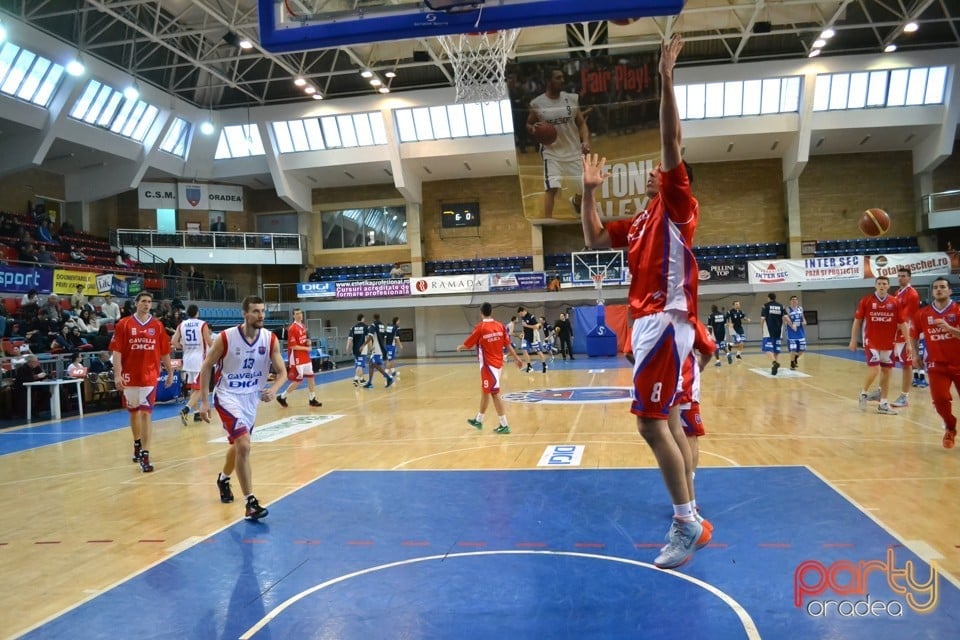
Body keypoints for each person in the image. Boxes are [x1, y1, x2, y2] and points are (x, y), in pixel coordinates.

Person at [580, 35, 710, 569]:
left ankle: (685, 521)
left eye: (666, 170)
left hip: (665, 318)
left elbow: (672, 139)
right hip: (651, 326)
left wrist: (664, 78)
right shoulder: (637, 224)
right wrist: (588, 191)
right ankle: (692, 514)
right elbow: (590, 239)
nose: (659, 172)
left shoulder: (679, 204)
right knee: (671, 419)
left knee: (649, 423)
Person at [198, 295, 286, 521]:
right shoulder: (227, 338)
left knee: (238, 446)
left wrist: (274, 388)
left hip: (250, 399)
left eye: (263, 311)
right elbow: (206, 366)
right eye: (256, 311)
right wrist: (204, 401)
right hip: (227, 396)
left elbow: (283, 372)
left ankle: (224, 479)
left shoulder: (270, 339)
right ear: (245, 313)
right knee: (244, 445)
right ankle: (250, 502)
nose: (261, 315)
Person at [109, 291, 174, 472]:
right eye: (143, 301)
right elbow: (117, 351)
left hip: (149, 376)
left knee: (146, 413)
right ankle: (137, 443)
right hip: (130, 376)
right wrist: (117, 374)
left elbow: (164, 351)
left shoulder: (158, 325)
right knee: (134, 412)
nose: (146, 304)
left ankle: (145, 455)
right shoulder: (124, 324)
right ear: (136, 303)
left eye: (149, 302)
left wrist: (169, 372)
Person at [526, 67, 590, 218]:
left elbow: (581, 123)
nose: (562, 80)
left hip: (573, 151)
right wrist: (533, 129)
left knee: (584, 190)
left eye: (562, 78)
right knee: (552, 188)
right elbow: (528, 124)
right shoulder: (537, 103)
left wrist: (585, 141)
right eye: (558, 78)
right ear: (549, 81)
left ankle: (576, 201)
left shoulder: (571, 98)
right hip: (552, 153)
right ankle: (548, 222)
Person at [908, 277, 960, 449]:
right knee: (939, 401)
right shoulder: (923, 313)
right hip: (936, 365)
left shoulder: (958, 310)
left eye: (943, 287)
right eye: (936, 287)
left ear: (950, 291)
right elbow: (913, 335)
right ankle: (950, 427)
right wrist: (915, 355)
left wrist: (950, 329)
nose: (939, 290)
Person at [457, 302, 524, 434]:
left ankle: (504, 425)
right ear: (491, 312)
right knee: (485, 391)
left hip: (488, 366)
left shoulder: (480, 328)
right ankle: (479, 419)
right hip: (498, 364)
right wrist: (517, 358)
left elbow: (469, 344)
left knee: (494, 393)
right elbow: (508, 344)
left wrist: (460, 347)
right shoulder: (500, 326)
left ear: (481, 313)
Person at [849, 276, 909, 415]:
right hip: (871, 342)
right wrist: (853, 340)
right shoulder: (867, 300)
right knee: (875, 369)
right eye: (879, 283)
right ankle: (863, 393)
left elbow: (902, 324)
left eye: (884, 284)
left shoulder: (895, 302)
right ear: (875, 286)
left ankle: (883, 403)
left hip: (888, 344)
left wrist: (908, 342)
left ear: (888, 286)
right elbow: (857, 321)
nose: (882, 286)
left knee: (887, 372)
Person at [172, 304, 214, 424]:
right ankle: (186, 409)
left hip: (187, 359)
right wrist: (218, 350)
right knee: (201, 388)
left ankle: (196, 414)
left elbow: (174, 342)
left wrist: (184, 347)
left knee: (194, 389)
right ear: (197, 312)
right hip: (199, 360)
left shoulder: (182, 324)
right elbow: (209, 341)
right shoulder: (202, 324)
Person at [275, 308, 321, 408]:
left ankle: (312, 399)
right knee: (298, 380)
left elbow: (304, 340)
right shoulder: (292, 328)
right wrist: (306, 348)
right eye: (297, 314)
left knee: (311, 377)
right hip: (297, 357)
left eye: (300, 313)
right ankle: (282, 397)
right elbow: (293, 346)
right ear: (293, 316)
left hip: (305, 356)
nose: (299, 315)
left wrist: (308, 342)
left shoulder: (303, 326)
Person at [890, 267, 923, 408]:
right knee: (889, 363)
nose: (900, 278)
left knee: (906, 365)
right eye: (899, 276)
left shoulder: (912, 294)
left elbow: (904, 317)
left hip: (907, 334)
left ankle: (905, 396)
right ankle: (881, 391)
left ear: (909, 278)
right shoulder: (897, 293)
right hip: (897, 334)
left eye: (903, 276)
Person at [362, 315, 393, 389]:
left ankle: (388, 377)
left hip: (376, 348)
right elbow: (384, 337)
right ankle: (369, 382)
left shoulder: (373, 325)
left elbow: (370, 337)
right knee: (370, 364)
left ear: (374, 318)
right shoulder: (382, 326)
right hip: (380, 347)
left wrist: (363, 345)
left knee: (374, 364)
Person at [760, 293, 785, 375]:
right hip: (779, 330)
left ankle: (774, 363)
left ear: (768, 298)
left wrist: (762, 328)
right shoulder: (781, 306)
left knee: (766, 349)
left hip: (768, 329)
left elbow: (763, 318)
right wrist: (791, 325)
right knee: (776, 349)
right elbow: (785, 317)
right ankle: (775, 367)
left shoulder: (765, 305)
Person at [517, 305, 547, 373]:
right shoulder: (523, 318)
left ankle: (544, 364)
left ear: (523, 311)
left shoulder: (531, 316)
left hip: (533, 337)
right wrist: (522, 333)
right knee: (524, 349)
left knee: (538, 351)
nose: (520, 315)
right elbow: (524, 328)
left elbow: (536, 326)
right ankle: (529, 366)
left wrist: (527, 325)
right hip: (526, 337)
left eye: (521, 314)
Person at [784, 295, 807, 370]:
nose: (794, 300)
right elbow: (786, 318)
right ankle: (792, 363)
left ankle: (795, 359)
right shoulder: (787, 309)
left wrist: (804, 321)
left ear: (797, 301)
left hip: (800, 331)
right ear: (790, 301)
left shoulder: (800, 308)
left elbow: (803, 317)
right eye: (793, 299)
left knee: (802, 348)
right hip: (791, 331)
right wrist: (791, 325)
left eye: (796, 299)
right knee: (793, 349)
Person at [345, 313, 368, 387]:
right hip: (362, 349)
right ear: (362, 318)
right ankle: (355, 379)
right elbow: (368, 338)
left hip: (355, 349)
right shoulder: (365, 327)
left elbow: (350, 339)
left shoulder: (353, 328)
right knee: (360, 365)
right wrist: (371, 348)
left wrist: (347, 347)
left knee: (359, 365)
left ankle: (361, 379)